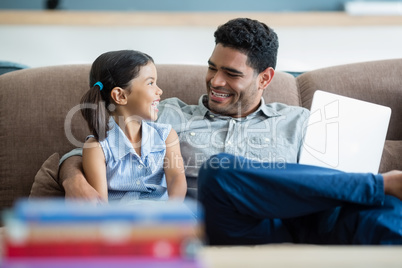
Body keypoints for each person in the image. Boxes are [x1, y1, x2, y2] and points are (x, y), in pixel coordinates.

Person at [59, 18, 402, 244]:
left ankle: (382, 190)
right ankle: (380, 183)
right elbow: (97, 145)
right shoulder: (169, 117)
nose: (216, 81)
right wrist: (73, 178)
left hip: (305, 223)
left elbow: (327, 179)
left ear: (265, 78)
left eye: (232, 74)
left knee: (386, 214)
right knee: (221, 172)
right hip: (231, 226)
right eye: (212, 68)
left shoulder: (299, 121)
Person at [79, 50, 187, 204]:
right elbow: (100, 204)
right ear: (120, 96)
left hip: (163, 217)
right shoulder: (97, 148)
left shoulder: (166, 135)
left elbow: (177, 178)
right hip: (122, 221)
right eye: (150, 83)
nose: (159, 91)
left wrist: (170, 214)